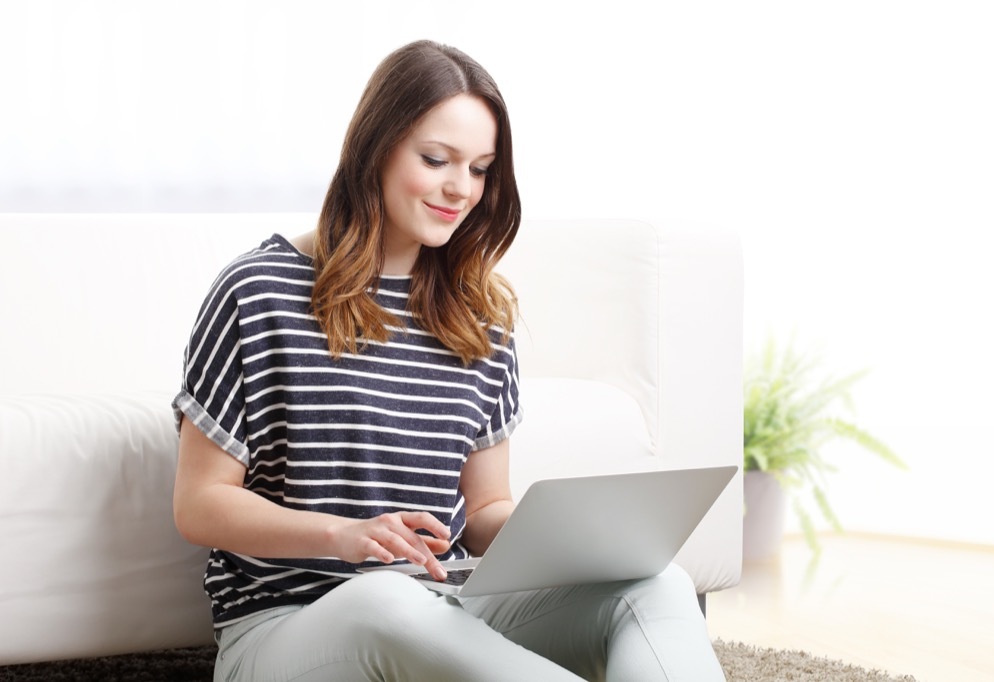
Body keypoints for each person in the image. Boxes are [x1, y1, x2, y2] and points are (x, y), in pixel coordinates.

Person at [172, 39, 725, 682]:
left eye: (481, 169)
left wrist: (579, 541)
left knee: (657, 585)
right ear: (375, 148)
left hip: (443, 609)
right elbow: (200, 504)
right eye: (437, 159)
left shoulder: (482, 315)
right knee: (385, 598)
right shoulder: (258, 291)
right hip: (284, 628)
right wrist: (343, 536)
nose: (460, 189)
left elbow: (485, 507)